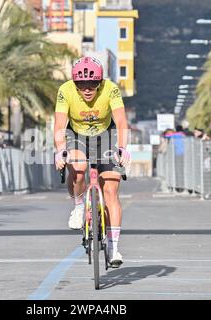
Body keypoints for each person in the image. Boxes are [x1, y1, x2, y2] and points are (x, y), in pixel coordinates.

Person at [54, 56, 130, 267]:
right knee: (78, 167)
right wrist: (60, 150)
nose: (87, 89)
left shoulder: (111, 89)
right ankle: (79, 205)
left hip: (106, 136)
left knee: (111, 191)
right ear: (75, 84)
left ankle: (114, 247)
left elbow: (122, 121)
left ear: (100, 82)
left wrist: (122, 148)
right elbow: (60, 124)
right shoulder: (65, 90)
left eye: (92, 83)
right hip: (76, 135)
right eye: (81, 84)